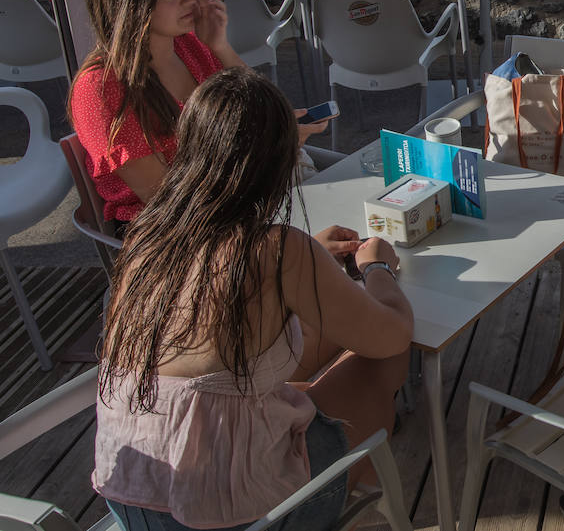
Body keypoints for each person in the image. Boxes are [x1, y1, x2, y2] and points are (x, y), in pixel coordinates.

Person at [93, 67, 413, 531]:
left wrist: (312, 259)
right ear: (281, 161)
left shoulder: (148, 235)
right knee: (379, 364)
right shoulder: (276, 250)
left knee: (310, 342)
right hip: (230, 516)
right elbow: (391, 335)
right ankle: (346, 506)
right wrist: (376, 267)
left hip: (131, 497)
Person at [68, 0, 330, 229]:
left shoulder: (188, 45)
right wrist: (269, 150)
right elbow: (168, 198)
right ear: (129, 5)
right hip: (178, 230)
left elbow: (262, 106)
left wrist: (221, 46)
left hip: (238, 195)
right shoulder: (102, 89)